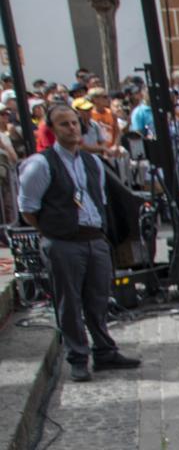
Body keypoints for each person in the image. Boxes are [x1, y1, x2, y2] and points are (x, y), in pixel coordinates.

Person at [15, 103, 142, 381]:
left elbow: (100, 200)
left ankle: (105, 351)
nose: (72, 128)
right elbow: (28, 208)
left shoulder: (92, 162)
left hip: (94, 239)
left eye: (74, 123)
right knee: (69, 301)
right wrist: (54, 230)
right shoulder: (40, 164)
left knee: (97, 298)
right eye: (64, 124)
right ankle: (78, 357)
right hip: (63, 242)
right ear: (53, 129)